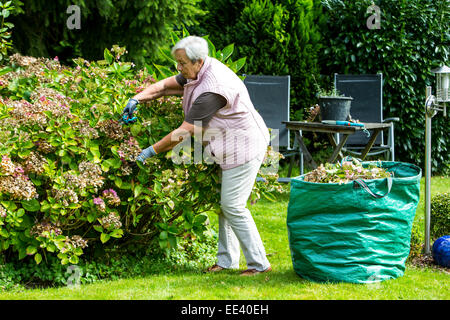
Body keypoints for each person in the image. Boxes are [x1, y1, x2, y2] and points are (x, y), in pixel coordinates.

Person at [122, 36, 272, 276]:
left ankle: (259, 264)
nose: (178, 68)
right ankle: (227, 261)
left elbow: (185, 131)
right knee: (227, 207)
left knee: (233, 206)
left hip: (244, 145)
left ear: (198, 61)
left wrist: (149, 152)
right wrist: (136, 99)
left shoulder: (212, 88)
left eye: (182, 63)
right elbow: (164, 87)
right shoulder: (198, 70)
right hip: (228, 144)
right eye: (177, 63)